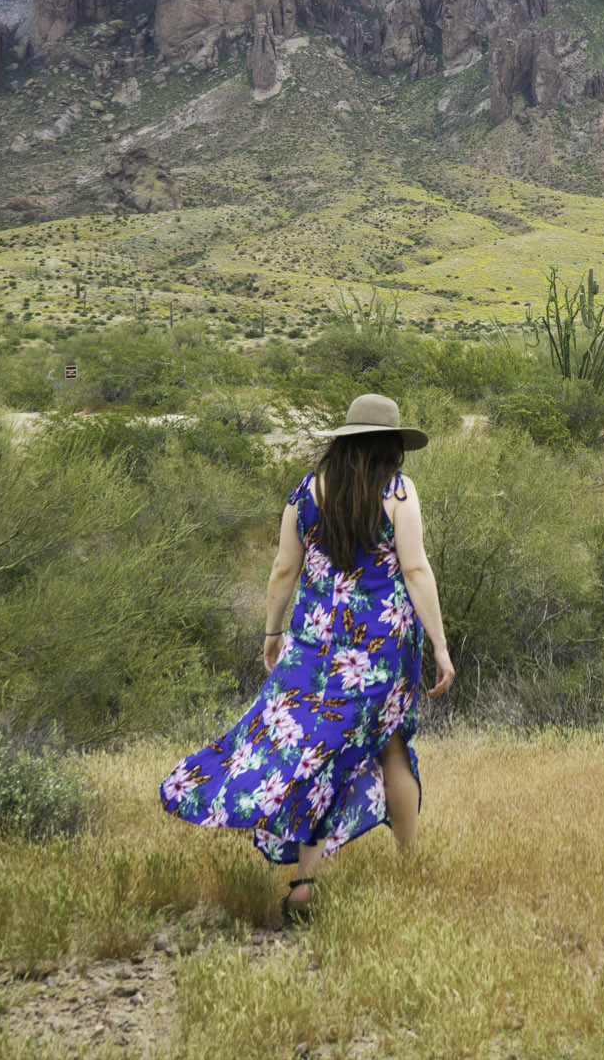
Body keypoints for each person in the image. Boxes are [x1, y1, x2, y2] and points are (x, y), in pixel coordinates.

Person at [159, 393, 454, 920]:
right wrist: (439, 643)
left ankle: (305, 880)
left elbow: (282, 569)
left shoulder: (307, 490)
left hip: (313, 648)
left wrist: (272, 632)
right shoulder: (399, 492)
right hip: (380, 650)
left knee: (311, 751)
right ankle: (409, 869)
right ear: (391, 445)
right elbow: (415, 571)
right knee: (390, 748)